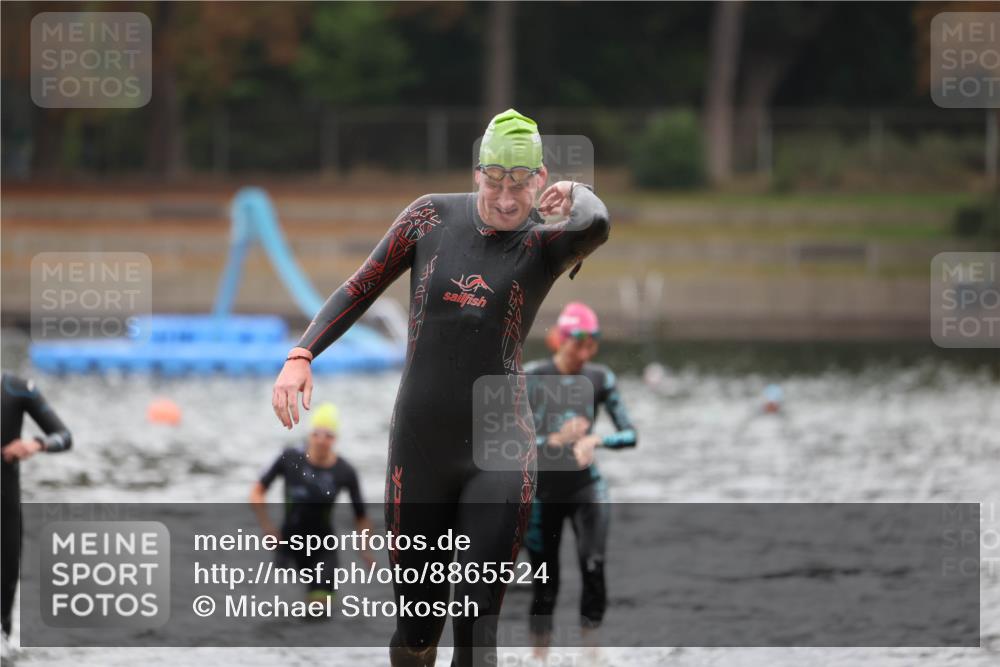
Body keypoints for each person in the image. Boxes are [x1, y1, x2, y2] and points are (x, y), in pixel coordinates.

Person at [271, 109, 611, 666]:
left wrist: (577, 189)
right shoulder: (428, 218)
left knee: (478, 633)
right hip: (420, 447)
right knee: (417, 627)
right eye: (495, 182)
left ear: (540, 180)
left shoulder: (544, 245)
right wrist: (302, 352)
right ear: (477, 173)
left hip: (499, 448)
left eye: (520, 185)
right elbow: (360, 286)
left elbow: (597, 223)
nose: (506, 200)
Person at [523, 302, 637, 661]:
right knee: (545, 582)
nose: (584, 355)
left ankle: (591, 653)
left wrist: (594, 440)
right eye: (578, 346)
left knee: (593, 565)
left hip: (587, 487)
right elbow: (507, 443)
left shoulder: (600, 379)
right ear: (559, 340)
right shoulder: (531, 378)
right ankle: (539, 656)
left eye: (592, 346)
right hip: (542, 493)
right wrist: (556, 440)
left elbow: (630, 433)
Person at [251, 402, 372, 604]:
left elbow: (361, 516)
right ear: (309, 434)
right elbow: (257, 492)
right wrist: (267, 527)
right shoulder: (290, 458)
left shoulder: (345, 471)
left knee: (319, 609)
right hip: (287, 544)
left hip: (322, 548)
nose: (321, 440)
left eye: (329, 435)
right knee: (279, 610)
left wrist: (364, 548)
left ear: (335, 439)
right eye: (317, 433)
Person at [1, 372, 73, 643]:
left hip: (4, 514)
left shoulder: (16, 390)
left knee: (2, 623)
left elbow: (64, 436)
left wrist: (35, 444)